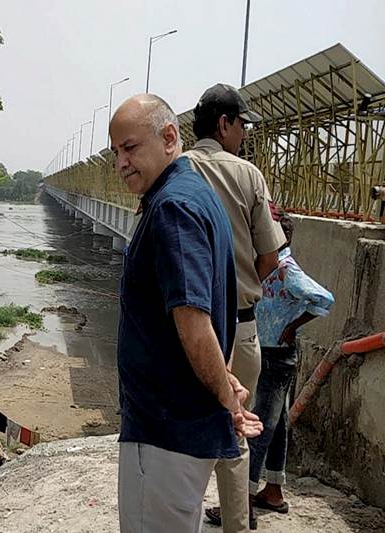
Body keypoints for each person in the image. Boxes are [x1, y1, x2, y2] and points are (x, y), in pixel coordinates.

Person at [111, 94, 262, 533]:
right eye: (117, 152)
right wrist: (224, 380)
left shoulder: (173, 208)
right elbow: (215, 311)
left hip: (164, 431)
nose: (121, 162)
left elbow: (194, 321)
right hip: (179, 430)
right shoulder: (195, 194)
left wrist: (225, 397)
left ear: (170, 137)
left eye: (132, 147)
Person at [186, 83, 286, 532]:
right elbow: (270, 257)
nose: (245, 133)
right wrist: (240, 285)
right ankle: (236, 526)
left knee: (183, 430)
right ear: (224, 124)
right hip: (240, 327)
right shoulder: (249, 176)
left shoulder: (174, 170)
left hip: (185, 329)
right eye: (242, 124)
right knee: (236, 431)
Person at [248, 211, 334, 516]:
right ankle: (273, 491)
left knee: (259, 426)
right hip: (271, 353)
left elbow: (324, 298)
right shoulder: (271, 265)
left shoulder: (285, 268)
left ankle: (242, 501)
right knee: (278, 425)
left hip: (275, 357)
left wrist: (293, 325)